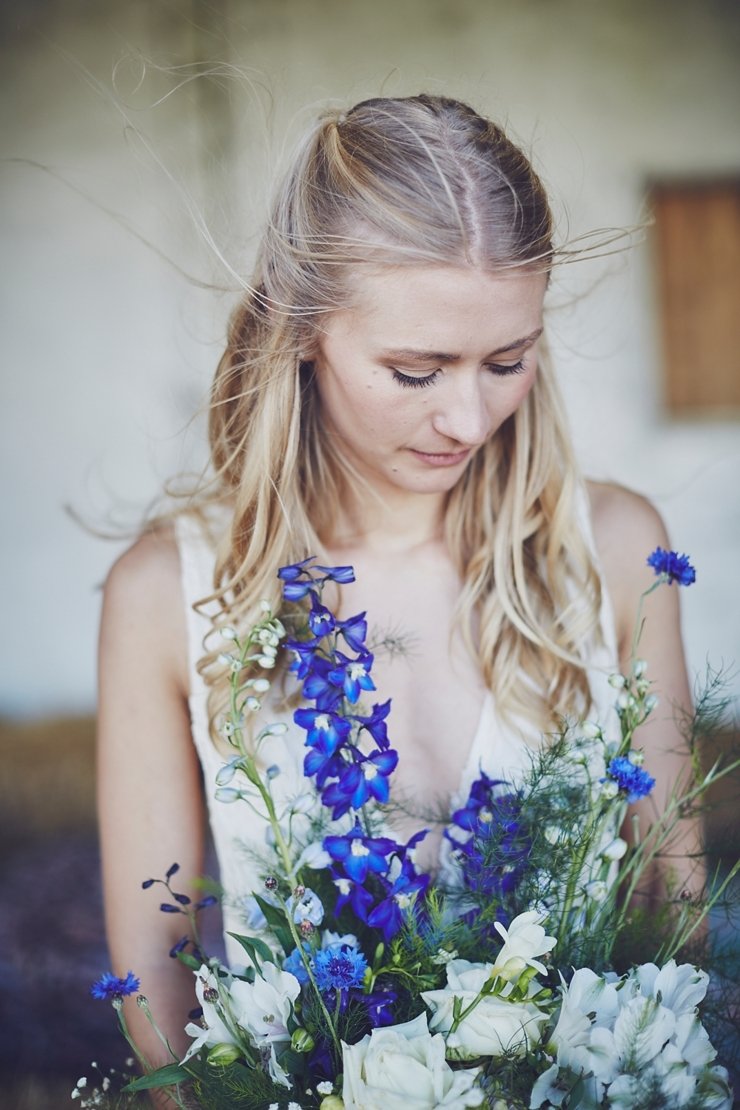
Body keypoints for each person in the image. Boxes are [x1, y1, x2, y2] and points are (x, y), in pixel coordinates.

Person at [96, 94, 697, 1075]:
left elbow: (676, 918)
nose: (467, 418)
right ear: (300, 328)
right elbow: (156, 996)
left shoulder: (620, 552)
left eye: (506, 361)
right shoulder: (166, 592)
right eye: (415, 371)